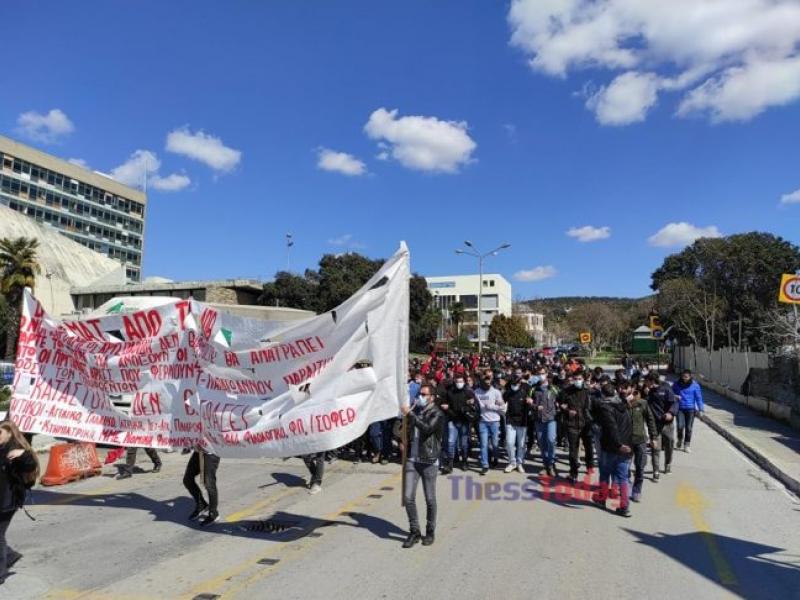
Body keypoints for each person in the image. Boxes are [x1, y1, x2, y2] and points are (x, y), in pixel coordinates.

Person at [400, 384, 444, 548]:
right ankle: (414, 530)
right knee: (408, 497)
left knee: (430, 498)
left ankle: (430, 530)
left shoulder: (437, 413)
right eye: (420, 393)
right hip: (413, 458)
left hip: (429, 460)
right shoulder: (416, 410)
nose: (421, 396)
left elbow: (427, 428)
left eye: (424, 394)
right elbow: (408, 428)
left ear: (432, 397)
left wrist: (410, 414)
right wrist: (403, 439)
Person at [0, 421, 40, 583]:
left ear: (10, 433)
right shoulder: (2, 448)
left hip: (7, 501)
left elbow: (30, 466)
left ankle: (1, 572)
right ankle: (10, 555)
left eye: (0, 432)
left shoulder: (15, 451)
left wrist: (23, 455)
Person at [592, 383, 634, 517]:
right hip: (626, 447)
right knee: (623, 477)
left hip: (612, 447)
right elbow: (628, 426)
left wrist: (618, 444)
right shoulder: (624, 405)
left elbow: (611, 428)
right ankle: (624, 507)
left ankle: (602, 498)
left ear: (603, 395)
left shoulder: (606, 408)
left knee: (605, 473)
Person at [559, 372, 594, 482]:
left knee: (588, 447)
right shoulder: (566, 391)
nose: (577, 380)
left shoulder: (588, 391)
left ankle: (589, 465)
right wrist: (566, 410)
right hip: (572, 424)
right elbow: (560, 404)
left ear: (583, 379)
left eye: (579, 378)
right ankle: (573, 473)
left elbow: (594, 407)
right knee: (573, 450)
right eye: (575, 378)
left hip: (586, 424)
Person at [439, 374, 478, 473]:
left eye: (461, 381)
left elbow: (473, 407)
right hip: (453, 420)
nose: (459, 383)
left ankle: (464, 461)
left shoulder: (469, 392)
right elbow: (446, 405)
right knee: (451, 442)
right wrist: (450, 411)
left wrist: (466, 408)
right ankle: (450, 463)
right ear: (454, 382)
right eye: (457, 381)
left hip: (464, 420)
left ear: (464, 382)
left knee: (464, 443)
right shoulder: (450, 392)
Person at [627, 388, 657, 503]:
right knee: (625, 467)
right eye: (631, 393)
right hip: (626, 441)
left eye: (635, 393)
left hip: (640, 440)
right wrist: (626, 402)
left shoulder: (643, 404)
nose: (634, 395)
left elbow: (650, 420)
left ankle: (637, 490)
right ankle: (627, 486)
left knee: (640, 466)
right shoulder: (622, 404)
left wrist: (653, 437)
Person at [647, 374, 679, 478]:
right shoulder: (646, 391)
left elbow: (675, 403)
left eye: (647, 381)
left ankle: (668, 464)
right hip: (654, 425)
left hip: (667, 424)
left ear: (652, 381)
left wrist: (671, 413)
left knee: (669, 445)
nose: (645, 384)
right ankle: (655, 470)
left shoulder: (665, 389)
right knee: (655, 447)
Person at [475, 370, 505, 476]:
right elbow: (474, 405)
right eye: (486, 381)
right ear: (482, 381)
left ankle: (495, 458)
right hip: (482, 421)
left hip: (495, 421)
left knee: (495, 444)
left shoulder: (496, 392)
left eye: (489, 381)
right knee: (483, 444)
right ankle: (485, 465)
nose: (488, 383)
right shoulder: (477, 392)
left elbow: (502, 407)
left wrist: (492, 407)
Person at [183, 445, 221, 526]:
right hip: (198, 451)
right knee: (187, 480)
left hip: (211, 452)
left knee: (209, 483)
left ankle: (213, 513)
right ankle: (202, 505)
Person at [503, 372, 530, 474]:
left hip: (522, 421)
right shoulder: (507, 392)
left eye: (516, 384)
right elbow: (502, 402)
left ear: (520, 383)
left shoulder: (524, 392)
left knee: (521, 444)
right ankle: (512, 462)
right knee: (509, 442)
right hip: (510, 420)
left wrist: (530, 403)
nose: (514, 386)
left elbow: (530, 405)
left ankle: (519, 463)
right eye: (512, 384)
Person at [673, 369, 705, 453]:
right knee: (680, 426)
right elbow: (671, 393)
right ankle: (679, 439)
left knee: (689, 428)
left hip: (690, 409)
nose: (684, 378)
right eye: (683, 376)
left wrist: (701, 409)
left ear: (690, 377)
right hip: (680, 409)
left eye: (686, 377)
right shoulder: (676, 384)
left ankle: (687, 445)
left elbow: (699, 398)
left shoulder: (695, 385)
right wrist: (675, 396)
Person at [533, 375, 559, 477]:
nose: (543, 382)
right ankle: (546, 465)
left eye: (545, 380)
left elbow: (561, 398)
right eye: (541, 381)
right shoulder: (534, 390)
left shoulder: (553, 389)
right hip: (539, 420)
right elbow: (529, 402)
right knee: (542, 443)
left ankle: (551, 463)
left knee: (551, 440)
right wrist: (535, 406)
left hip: (551, 419)